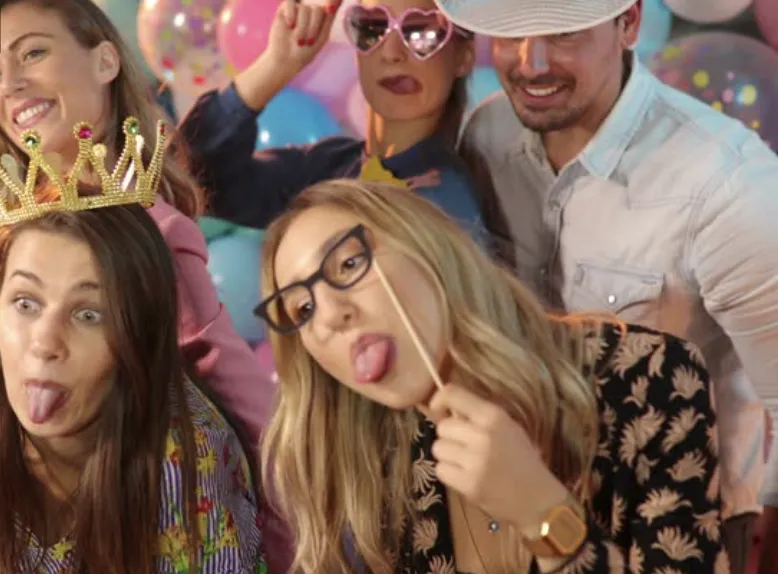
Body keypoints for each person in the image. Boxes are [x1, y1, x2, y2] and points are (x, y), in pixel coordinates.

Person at [435, 0, 778, 571]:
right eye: (511, 36)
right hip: (516, 510)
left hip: (682, 531)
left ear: (630, 23)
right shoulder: (487, 134)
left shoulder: (729, 184)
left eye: (564, 33)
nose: (532, 63)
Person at [256, 178, 726, 574]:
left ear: (427, 243)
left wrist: (543, 514)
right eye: (302, 309)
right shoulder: (381, 460)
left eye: (350, 263)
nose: (331, 315)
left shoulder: (649, 376)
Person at [0, 0, 275, 451]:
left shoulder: (155, 231)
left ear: (105, 61)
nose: (11, 84)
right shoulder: (12, 222)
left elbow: (233, 386)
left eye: (32, 53)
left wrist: (293, 511)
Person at [0, 117, 263, 572]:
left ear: (136, 334)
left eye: (88, 314)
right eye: (25, 303)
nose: (44, 343)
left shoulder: (187, 459)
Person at [177, 0, 486, 243]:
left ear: (463, 56)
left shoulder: (451, 204)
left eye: (422, 32)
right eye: (372, 28)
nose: (392, 53)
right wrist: (276, 64)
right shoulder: (327, 167)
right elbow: (193, 178)